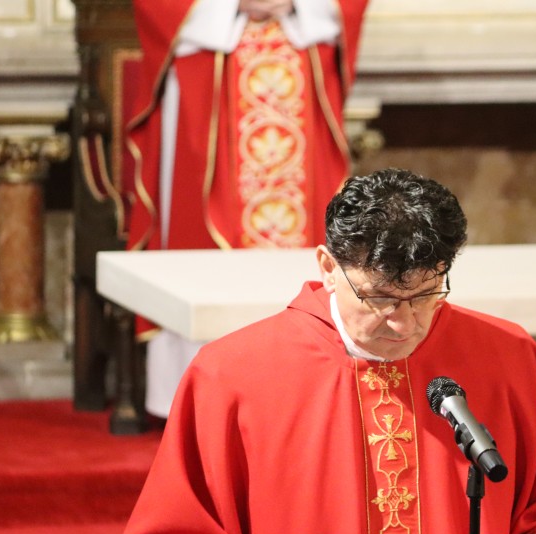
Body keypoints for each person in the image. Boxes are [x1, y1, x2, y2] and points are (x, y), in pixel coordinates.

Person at [111, 168, 536, 534]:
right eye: (379, 298)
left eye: (426, 294)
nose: (404, 323)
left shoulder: (510, 360)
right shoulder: (233, 375)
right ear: (328, 266)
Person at [126, 0, 368, 418]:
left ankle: (309, 390)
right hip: (208, 63)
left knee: (314, 230)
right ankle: (201, 403)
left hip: (299, 48)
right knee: (197, 231)